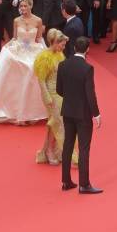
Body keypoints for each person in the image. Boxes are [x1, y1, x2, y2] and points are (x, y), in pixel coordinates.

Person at [56, 36, 102, 194]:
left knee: (67, 146)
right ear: (87, 49)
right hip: (83, 114)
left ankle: (66, 181)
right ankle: (84, 184)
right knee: (83, 148)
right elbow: (90, 94)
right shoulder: (87, 68)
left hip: (67, 111)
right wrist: (96, 114)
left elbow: (59, 90)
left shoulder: (63, 65)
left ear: (74, 48)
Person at [34, 28, 78, 166]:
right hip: (50, 95)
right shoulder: (43, 57)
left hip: (61, 94)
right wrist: (47, 97)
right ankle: (59, 153)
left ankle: (49, 150)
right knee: (58, 123)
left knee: (55, 123)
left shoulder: (59, 55)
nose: (64, 47)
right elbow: (41, 80)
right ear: (54, 42)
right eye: (62, 44)